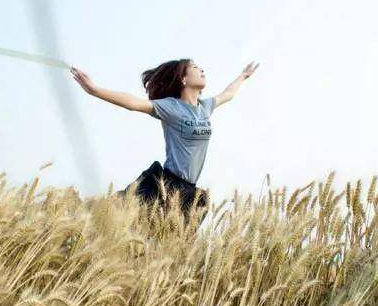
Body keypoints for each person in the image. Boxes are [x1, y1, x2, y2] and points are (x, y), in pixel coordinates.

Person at [70, 58, 259, 226]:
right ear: (183, 79)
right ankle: (73, 216)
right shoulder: (171, 107)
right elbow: (133, 103)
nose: (202, 69)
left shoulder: (205, 107)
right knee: (116, 216)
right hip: (165, 183)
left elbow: (228, 94)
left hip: (188, 191)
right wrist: (94, 90)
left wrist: (243, 76)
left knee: (172, 247)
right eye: (194, 67)